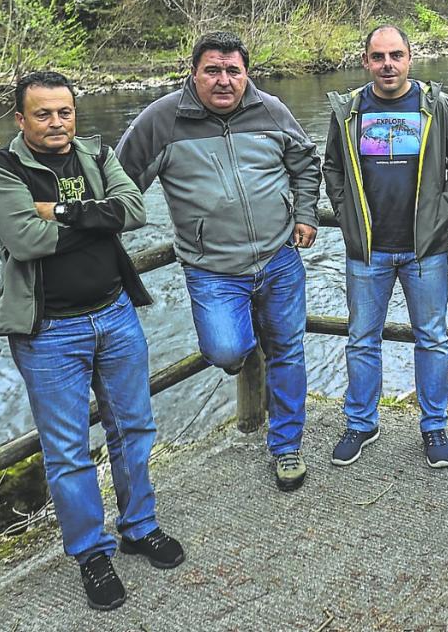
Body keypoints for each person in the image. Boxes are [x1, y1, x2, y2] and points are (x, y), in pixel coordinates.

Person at [0, 71, 183, 612]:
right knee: (68, 452)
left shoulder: (95, 152)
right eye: (43, 114)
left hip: (115, 315)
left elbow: (135, 209)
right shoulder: (1, 171)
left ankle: (139, 527)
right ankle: (92, 554)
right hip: (50, 331)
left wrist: (61, 212)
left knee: (134, 427)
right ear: (20, 119)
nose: (56, 123)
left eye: (64, 112)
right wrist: (98, 218)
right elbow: (25, 240)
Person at [117, 31, 321, 492]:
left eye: (233, 70)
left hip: (279, 259)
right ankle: (242, 337)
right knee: (227, 350)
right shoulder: (161, 120)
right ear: (193, 73)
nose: (224, 80)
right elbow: (120, 180)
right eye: (213, 70)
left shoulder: (271, 110)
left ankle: (286, 445)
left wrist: (305, 213)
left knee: (288, 351)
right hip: (212, 271)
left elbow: (306, 162)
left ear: (247, 73)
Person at [322, 25, 448, 468]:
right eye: (379, 56)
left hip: (425, 249)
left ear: (411, 58)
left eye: (396, 55)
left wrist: (444, 210)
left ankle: (434, 425)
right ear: (366, 61)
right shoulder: (349, 110)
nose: (388, 64)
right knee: (361, 339)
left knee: (432, 338)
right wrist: (345, 212)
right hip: (368, 249)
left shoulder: (435, 106)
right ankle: (362, 422)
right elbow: (331, 166)